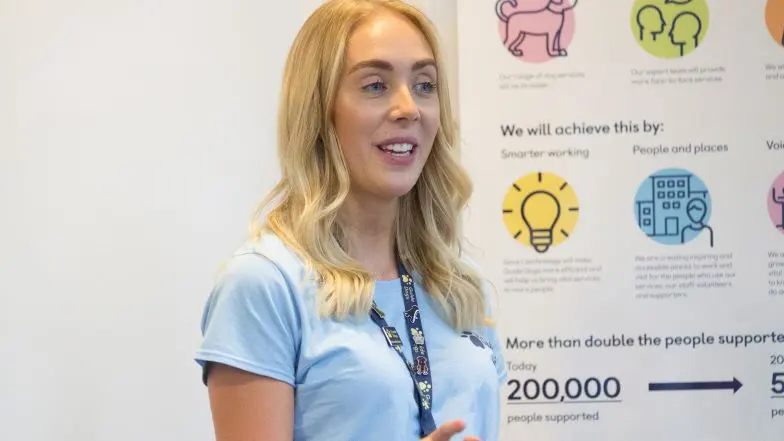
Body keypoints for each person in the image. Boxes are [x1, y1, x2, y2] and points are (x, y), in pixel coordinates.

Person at [193, 1, 507, 440]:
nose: (408, 108)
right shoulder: (265, 285)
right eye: (376, 85)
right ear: (320, 110)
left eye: (424, 84)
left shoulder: (460, 286)